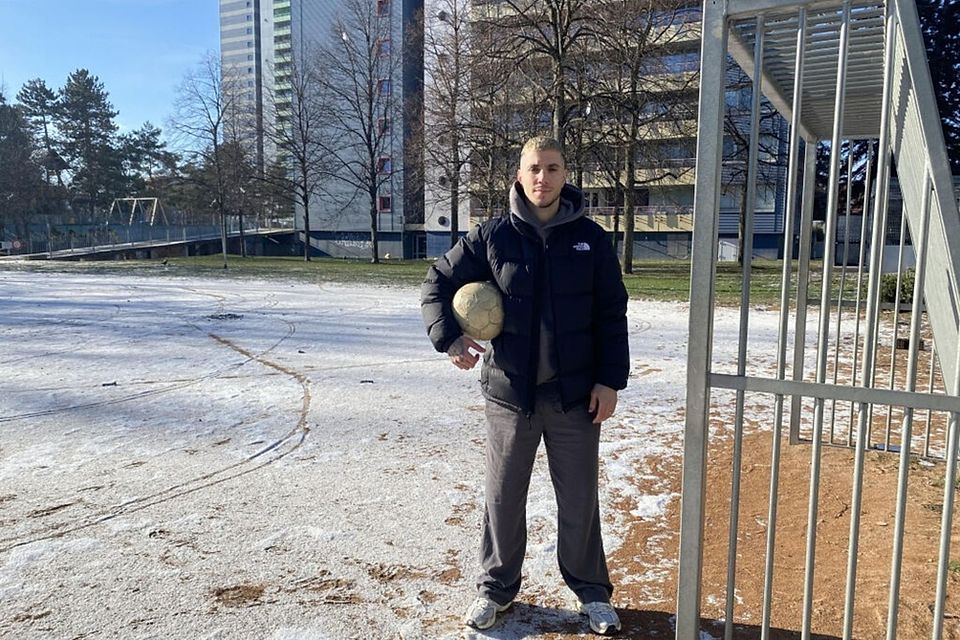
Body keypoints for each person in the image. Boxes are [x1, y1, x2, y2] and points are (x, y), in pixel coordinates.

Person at [421, 136, 629, 635]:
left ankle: (591, 591)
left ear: (565, 174)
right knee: (502, 497)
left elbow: (610, 314)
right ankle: (495, 589)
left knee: (579, 499)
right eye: (534, 168)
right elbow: (436, 282)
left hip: (574, 398)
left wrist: (609, 381)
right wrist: (449, 338)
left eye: (553, 168)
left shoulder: (591, 240)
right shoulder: (492, 236)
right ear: (519, 175)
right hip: (509, 397)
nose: (543, 178)